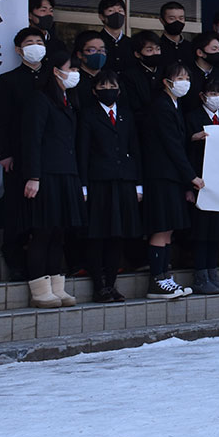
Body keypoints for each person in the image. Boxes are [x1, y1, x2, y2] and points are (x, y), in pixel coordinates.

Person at [19, 50, 87, 309]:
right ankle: (39, 289)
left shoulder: (68, 100)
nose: (75, 74)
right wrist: (33, 176)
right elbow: (32, 140)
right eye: (72, 68)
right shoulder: (40, 99)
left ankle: (57, 287)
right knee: (43, 231)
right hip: (45, 175)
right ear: (56, 71)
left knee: (60, 232)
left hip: (66, 174)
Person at [77, 69, 143, 303]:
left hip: (124, 181)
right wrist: (83, 185)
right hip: (98, 182)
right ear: (94, 91)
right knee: (98, 234)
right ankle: (99, 285)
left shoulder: (125, 114)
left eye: (112, 86)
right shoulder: (88, 115)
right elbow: (83, 151)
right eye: (103, 87)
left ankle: (112, 284)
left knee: (118, 234)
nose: (108, 91)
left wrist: (139, 184)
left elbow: (134, 149)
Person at [141, 61, 201, 299]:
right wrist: (192, 177)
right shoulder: (161, 106)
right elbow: (172, 146)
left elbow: (178, 140)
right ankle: (156, 280)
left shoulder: (174, 105)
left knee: (168, 230)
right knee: (161, 227)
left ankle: (164, 276)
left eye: (187, 76)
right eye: (179, 77)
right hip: (161, 176)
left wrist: (193, 137)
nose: (184, 81)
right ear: (166, 80)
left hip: (171, 177)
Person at [0, 26, 49, 279]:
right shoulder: (8, 80)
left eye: (39, 41)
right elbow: (1, 119)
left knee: (47, 212)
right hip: (18, 153)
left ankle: (44, 263)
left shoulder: (53, 77)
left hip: (49, 155)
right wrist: (5, 153)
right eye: (29, 42)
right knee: (17, 208)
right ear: (19, 49)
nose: (35, 45)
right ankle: (15, 261)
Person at [185, 75, 219, 294]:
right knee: (201, 231)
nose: (217, 98)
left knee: (216, 232)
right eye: (213, 94)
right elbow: (183, 151)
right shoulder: (192, 118)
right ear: (203, 96)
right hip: (199, 183)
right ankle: (200, 275)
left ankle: (213, 273)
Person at [95, 0, 132, 71]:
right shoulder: (95, 42)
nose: (117, 14)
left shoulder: (132, 43)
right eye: (111, 11)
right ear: (101, 16)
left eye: (120, 10)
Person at [157, 1, 198, 66]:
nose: (177, 21)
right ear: (162, 20)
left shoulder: (191, 48)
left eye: (181, 18)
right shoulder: (156, 48)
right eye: (172, 18)